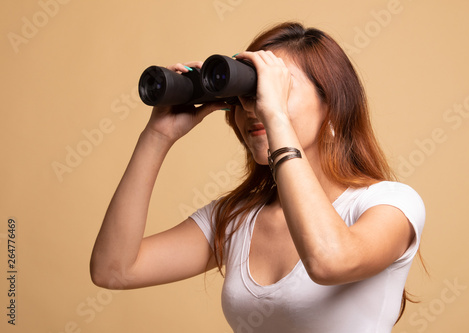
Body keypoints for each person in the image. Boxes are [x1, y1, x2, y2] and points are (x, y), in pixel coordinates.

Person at [90, 22, 425, 332]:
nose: (253, 107)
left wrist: (275, 114)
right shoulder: (236, 218)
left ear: (332, 105)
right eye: (246, 94)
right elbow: (114, 270)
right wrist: (157, 136)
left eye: (275, 89)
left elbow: (329, 261)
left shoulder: (390, 203)